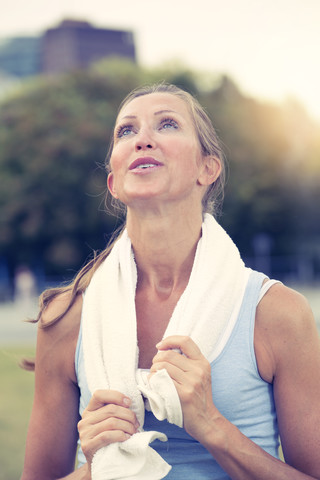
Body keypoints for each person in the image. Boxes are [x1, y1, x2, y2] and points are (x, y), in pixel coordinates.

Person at [21, 83, 320, 480]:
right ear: (114, 182)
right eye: (126, 131)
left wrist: (211, 425)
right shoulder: (65, 319)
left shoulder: (277, 313)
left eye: (167, 124)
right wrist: (98, 465)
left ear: (207, 169)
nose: (142, 139)